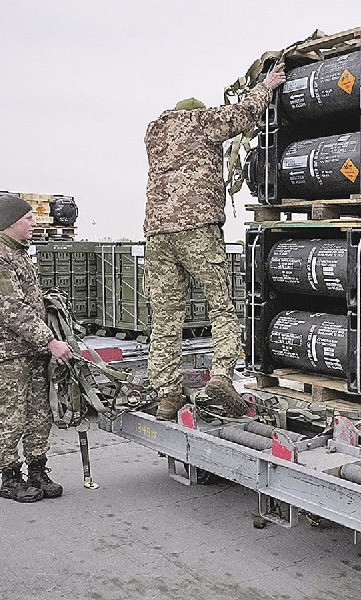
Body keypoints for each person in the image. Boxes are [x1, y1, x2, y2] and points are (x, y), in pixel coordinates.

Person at [143, 62, 286, 421]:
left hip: (157, 234)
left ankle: (167, 395)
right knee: (221, 306)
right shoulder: (201, 122)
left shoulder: (154, 133)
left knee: (165, 318)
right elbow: (242, 114)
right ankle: (221, 377)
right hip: (196, 228)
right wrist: (266, 85)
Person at [0, 195, 73, 502]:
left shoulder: (18, 254)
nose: (34, 223)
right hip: (11, 352)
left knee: (39, 414)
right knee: (12, 415)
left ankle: (38, 470)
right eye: (29, 219)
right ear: (11, 222)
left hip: (32, 350)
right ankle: (10, 477)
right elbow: (12, 309)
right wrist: (50, 341)